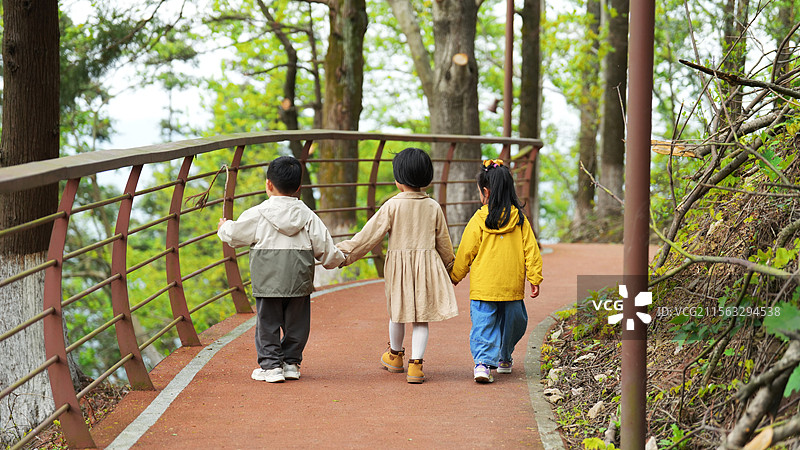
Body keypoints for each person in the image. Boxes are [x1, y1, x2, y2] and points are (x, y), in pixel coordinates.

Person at [217, 155, 345, 383]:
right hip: (299, 280)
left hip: (268, 280)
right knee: (297, 324)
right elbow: (325, 248)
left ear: (268, 184)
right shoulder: (308, 216)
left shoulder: (258, 213)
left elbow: (235, 235)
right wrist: (339, 258)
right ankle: (291, 363)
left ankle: (271, 366)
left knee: (267, 323)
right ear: (298, 187)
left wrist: (224, 227)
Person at [336, 147, 458, 384]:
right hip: (426, 268)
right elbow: (443, 242)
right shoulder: (433, 206)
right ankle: (416, 365)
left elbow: (368, 236)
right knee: (421, 317)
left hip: (399, 270)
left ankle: (394, 356)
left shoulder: (392, 205)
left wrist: (345, 254)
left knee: (397, 313)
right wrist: (451, 267)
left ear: (398, 179)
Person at [450, 159, 543, 384]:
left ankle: (482, 363)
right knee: (514, 323)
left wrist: (455, 275)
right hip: (511, 286)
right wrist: (534, 277)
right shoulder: (520, 219)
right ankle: (504, 356)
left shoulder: (479, 219)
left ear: (485, 191)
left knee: (483, 324)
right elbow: (531, 249)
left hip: (483, 286)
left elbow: (465, 251)